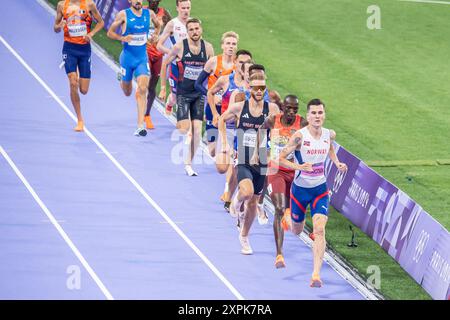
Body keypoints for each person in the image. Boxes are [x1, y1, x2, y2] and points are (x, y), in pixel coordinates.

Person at [279, 99, 348, 287]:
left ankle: (316, 274)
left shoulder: (329, 134)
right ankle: (287, 218)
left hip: (320, 190)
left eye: (320, 113)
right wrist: (298, 166)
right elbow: (281, 159)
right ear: (308, 116)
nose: (317, 116)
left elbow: (330, 148)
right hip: (300, 191)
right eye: (314, 113)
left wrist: (337, 163)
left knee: (319, 229)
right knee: (297, 230)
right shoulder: (299, 137)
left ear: (324, 115)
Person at [219, 73, 280, 255]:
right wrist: (225, 144)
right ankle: (236, 202)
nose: (259, 91)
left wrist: (273, 150)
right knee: (246, 192)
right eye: (256, 88)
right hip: (243, 158)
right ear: (249, 88)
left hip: (261, 160)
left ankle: (244, 237)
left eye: (263, 88)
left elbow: (278, 132)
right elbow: (222, 120)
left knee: (253, 203)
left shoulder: (272, 109)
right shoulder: (239, 107)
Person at [255, 95, 307, 268]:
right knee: (278, 208)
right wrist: (260, 153)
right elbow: (261, 131)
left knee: (291, 212)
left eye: (295, 109)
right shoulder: (273, 120)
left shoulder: (302, 123)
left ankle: (291, 215)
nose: (292, 112)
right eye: (289, 108)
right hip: (275, 169)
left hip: (295, 171)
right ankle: (279, 254)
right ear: (283, 108)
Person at [159, 18, 214, 176]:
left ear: (201, 29)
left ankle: (188, 163)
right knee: (184, 130)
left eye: (197, 29)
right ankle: (171, 101)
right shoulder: (179, 47)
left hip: (198, 93)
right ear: (187, 31)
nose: (195, 32)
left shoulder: (208, 48)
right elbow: (165, 64)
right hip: (182, 92)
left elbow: (211, 71)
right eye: (191, 30)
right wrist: (163, 87)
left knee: (197, 130)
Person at [107, 0, 161, 136]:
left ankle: (140, 126)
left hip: (142, 59)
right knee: (127, 92)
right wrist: (122, 38)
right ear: (130, 1)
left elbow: (158, 25)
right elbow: (110, 33)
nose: (138, 1)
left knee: (143, 88)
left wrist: (156, 34)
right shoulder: (123, 15)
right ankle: (122, 77)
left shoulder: (150, 14)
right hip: (127, 59)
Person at [53, 0, 104, 132]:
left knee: (84, 90)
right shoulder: (62, 5)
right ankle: (80, 119)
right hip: (69, 49)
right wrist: (60, 25)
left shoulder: (89, 4)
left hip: (84, 51)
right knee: (73, 81)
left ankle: (80, 81)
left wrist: (91, 34)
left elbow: (101, 22)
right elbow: (55, 28)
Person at [194, 31, 238, 157]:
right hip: (214, 109)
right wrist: (213, 96)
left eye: (233, 44)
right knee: (212, 151)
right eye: (228, 43)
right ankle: (219, 141)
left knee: (231, 146)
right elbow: (197, 84)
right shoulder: (213, 62)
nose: (231, 46)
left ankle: (227, 156)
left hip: (230, 110)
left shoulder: (239, 65)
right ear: (222, 46)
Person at [157, 0, 191, 115]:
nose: (186, 11)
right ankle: (170, 103)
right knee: (174, 98)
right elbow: (159, 45)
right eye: (183, 8)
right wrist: (173, 53)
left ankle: (187, 126)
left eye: (188, 8)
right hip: (175, 65)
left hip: (190, 66)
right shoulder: (173, 24)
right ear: (177, 8)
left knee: (189, 96)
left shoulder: (194, 24)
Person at [143, 0, 172, 129]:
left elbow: (172, 31)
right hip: (143, 51)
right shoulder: (141, 11)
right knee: (145, 79)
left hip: (158, 55)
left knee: (152, 86)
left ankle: (147, 115)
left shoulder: (165, 14)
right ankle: (126, 69)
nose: (153, 1)